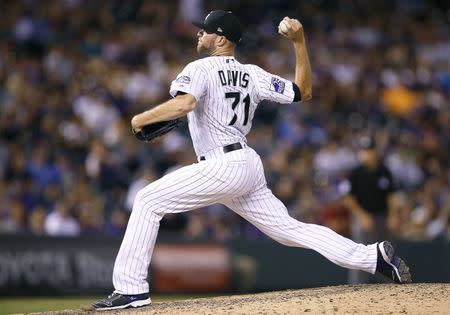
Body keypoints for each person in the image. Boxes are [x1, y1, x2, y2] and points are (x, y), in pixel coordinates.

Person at [92, 11, 411, 310]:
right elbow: (303, 91)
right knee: (289, 229)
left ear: (220, 39)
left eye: (204, 30)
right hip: (246, 164)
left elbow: (184, 104)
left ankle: (131, 288)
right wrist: (299, 43)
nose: (199, 34)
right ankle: (373, 257)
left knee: (147, 200)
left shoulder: (199, 68)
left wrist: (139, 119)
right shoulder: (252, 74)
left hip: (221, 165)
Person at [341, 135, 400, 283]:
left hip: (382, 216)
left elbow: (391, 196)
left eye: (369, 150)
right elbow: (348, 199)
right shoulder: (356, 173)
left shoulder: (384, 171)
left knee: (386, 252)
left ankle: (388, 287)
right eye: (363, 150)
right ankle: (357, 287)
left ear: (375, 151)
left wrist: (393, 216)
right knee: (358, 252)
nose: (366, 153)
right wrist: (363, 216)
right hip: (362, 217)